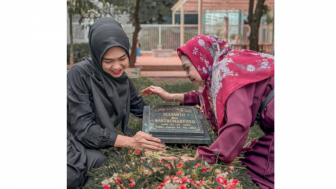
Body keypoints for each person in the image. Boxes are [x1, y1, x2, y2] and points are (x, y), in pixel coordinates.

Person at [142, 35, 274, 189]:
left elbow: (238, 124)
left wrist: (206, 157)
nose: (187, 75)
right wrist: (172, 97)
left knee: (261, 164)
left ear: (200, 59)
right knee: (254, 157)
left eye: (187, 68)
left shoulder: (226, 71)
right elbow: (213, 96)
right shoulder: (222, 69)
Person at [67, 17, 163, 189]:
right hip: (70, 134)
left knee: (99, 160)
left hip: (92, 139)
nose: (117, 66)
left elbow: (143, 110)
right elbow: (82, 128)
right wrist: (131, 142)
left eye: (122, 58)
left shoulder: (123, 80)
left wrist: (184, 111)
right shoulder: (79, 74)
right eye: (108, 61)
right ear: (97, 56)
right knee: (72, 175)